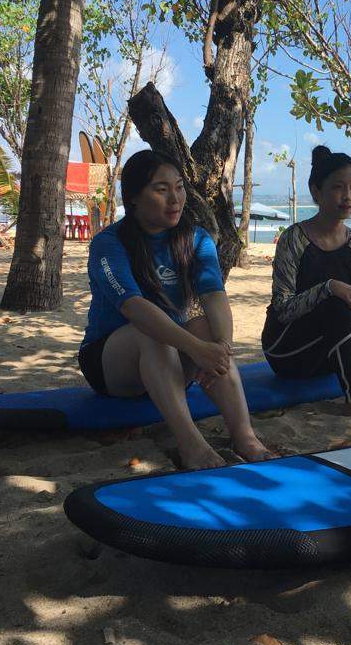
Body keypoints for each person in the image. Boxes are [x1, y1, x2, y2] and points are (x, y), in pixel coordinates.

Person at [78, 149, 273, 469]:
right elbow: (133, 307)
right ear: (134, 198)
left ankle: (244, 435)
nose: (175, 198)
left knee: (206, 329)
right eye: (161, 189)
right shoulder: (109, 243)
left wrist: (220, 349)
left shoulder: (195, 239)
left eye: (180, 187)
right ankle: (191, 444)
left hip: (171, 360)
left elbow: (214, 296)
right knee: (153, 334)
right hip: (112, 364)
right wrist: (197, 349)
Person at [262, 145, 351, 416]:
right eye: (338, 187)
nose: (348, 196)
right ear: (316, 191)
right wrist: (327, 288)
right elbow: (283, 309)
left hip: (333, 352)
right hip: (289, 352)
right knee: (336, 303)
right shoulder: (294, 239)